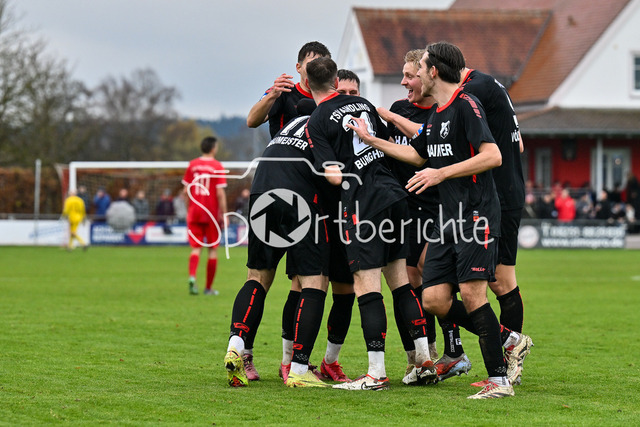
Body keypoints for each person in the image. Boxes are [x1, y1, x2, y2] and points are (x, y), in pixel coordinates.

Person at [347, 42, 532, 399]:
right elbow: (417, 156)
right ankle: (510, 339)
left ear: (433, 72)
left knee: (474, 294)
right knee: (432, 299)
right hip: (448, 218)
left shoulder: (466, 105)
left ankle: (498, 381)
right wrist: (370, 140)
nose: (413, 76)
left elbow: (493, 155)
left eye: (419, 68)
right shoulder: (437, 114)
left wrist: (441, 173)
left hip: (475, 214)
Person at [306, 57, 436, 391]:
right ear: (337, 82)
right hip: (394, 195)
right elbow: (387, 146)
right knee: (401, 282)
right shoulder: (363, 103)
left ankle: (376, 373)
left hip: (363, 204)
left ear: (307, 85)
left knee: (367, 287)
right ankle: (424, 360)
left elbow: (334, 177)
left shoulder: (317, 119)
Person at [225, 99, 332, 388]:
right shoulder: (322, 126)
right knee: (314, 282)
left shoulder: (284, 131)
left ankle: (237, 344)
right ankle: (298, 368)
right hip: (298, 200)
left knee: (257, 277)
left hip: (261, 196)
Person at [376, 49, 443, 384]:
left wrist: (388, 116)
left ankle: (449, 351)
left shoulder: (444, 110)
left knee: (435, 281)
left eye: (409, 76)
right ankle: (419, 356)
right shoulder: (399, 109)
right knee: (407, 281)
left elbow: (424, 146)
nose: (403, 82)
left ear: (427, 75)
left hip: (439, 207)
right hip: (403, 207)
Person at [246, 41, 331, 138]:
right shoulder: (282, 91)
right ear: (298, 67)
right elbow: (251, 121)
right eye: (312, 64)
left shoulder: (333, 99)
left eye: (323, 66)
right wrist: (272, 95)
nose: (316, 70)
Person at [182, 137, 227, 296]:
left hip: (194, 211)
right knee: (212, 249)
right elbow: (220, 193)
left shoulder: (192, 165)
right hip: (211, 213)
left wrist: (189, 209)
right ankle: (208, 288)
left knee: (196, 248)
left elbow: (185, 191)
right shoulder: (217, 166)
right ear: (214, 148)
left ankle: (192, 277)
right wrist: (225, 214)